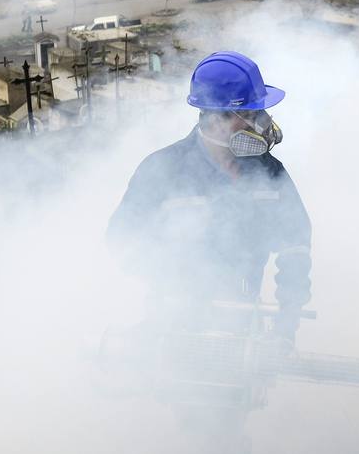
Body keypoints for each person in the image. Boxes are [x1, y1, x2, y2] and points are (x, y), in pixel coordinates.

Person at [107, 51, 312, 343]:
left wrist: (286, 325)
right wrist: (173, 280)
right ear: (217, 119)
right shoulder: (163, 170)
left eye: (260, 114)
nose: (261, 125)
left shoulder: (270, 173)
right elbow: (121, 239)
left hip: (243, 335)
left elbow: (296, 245)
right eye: (252, 115)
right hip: (173, 333)